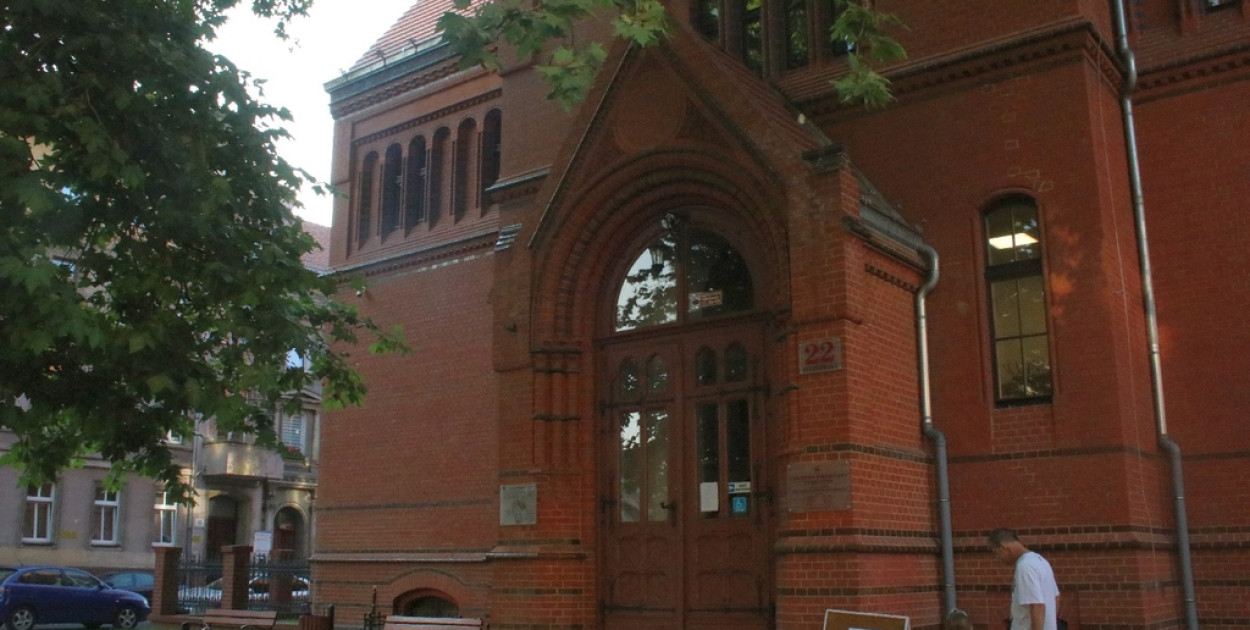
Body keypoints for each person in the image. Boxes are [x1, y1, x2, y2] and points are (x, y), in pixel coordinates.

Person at [988, 528, 1060, 630]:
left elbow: (1037, 606)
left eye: (996, 553)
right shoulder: (1041, 561)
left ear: (1004, 547)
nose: (998, 558)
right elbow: (1056, 597)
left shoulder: (1025, 567)